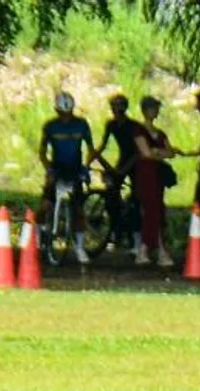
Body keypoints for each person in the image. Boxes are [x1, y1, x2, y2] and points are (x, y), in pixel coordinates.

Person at [38, 91, 97, 263]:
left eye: (69, 113)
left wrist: (86, 167)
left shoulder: (82, 124)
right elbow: (42, 152)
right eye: (62, 114)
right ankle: (37, 236)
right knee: (45, 204)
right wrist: (48, 168)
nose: (66, 117)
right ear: (56, 111)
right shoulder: (50, 126)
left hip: (75, 168)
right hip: (57, 167)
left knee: (78, 209)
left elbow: (90, 149)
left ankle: (79, 247)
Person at [130, 96, 177, 267]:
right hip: (145, 174)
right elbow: (146, 153)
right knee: (151, 210)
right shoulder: (138, 131)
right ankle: (151, 248)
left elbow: (169, 152)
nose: (155, 111)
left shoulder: (161, 133)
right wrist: (158, 152)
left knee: (157, 210)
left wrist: (158, 152)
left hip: (158, 175)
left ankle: (149, 248)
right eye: (152, 108)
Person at [95, 94, 143, 252]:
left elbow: (137, 152)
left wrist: (123, 170)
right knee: (111, 194)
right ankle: (116, 232)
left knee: (136, 198)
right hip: (124, 158)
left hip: (136, 162)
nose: (116, 111)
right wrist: (92, 158)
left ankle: (136, 239)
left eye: (119, 108)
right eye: (114, 108)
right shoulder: (111, 124)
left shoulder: (133, 126)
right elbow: (103, 144)